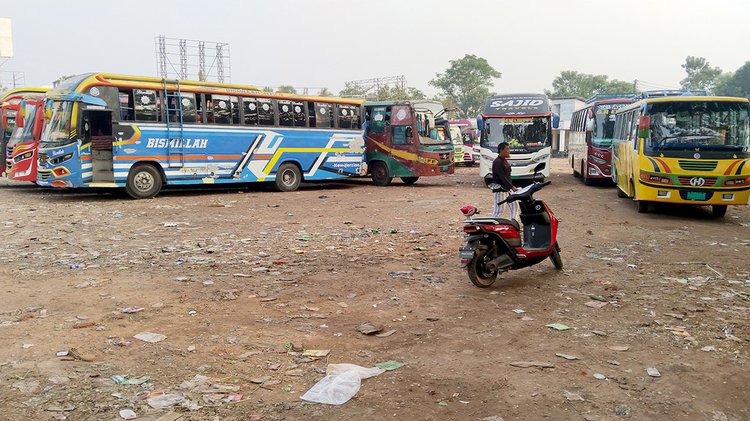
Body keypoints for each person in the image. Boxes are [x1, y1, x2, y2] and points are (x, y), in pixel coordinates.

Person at [491, 142, 518, 219]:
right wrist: (512, 187)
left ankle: (513, 224)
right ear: (501, 150)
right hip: (500, 190)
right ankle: (491, 226)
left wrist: (510, 187)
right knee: (499, 210)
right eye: (507, 149)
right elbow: (502, 177)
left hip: (507, 190)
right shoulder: (497, 162)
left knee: (514, 206)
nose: (508, 151)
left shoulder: (504, 161)